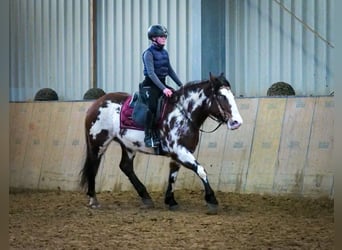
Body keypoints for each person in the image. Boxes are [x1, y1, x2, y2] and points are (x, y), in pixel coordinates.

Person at [140, 24, 183, 148]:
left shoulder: (164, 52)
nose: (164, 38)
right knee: (152, 107)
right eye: (161, 36)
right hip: (150, 84)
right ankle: (148, 136)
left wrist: (181, 85)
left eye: (165, 36)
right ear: (153, 38)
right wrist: (164, 89)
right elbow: (152, 73)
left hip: (162, 83)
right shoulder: (148, 53)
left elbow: (170, 71)